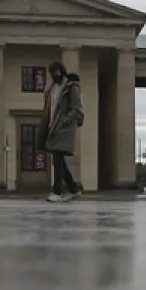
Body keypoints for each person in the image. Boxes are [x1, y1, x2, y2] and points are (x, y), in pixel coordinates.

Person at [40, 61, 85, 202]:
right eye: (53, 73)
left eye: (58, 72)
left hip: (64, 127)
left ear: (62, 71)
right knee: (58, 159)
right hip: (52, 126)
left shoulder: (71, 87)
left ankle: (57, 191)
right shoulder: (51, 89)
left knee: (57, 157)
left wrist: (65, 121)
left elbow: (77, 109)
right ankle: (73, 188)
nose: (55, 75)